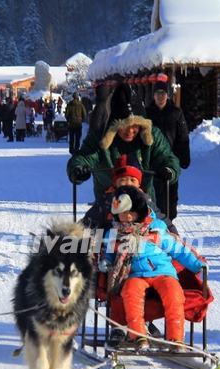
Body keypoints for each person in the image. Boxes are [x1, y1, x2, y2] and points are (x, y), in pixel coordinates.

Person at [103, 186, 204, 351]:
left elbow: (178, 250)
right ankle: (138, 336)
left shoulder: (156, 229)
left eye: (130, 212)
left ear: (140, 211)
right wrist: (106, 262)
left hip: (163, 272)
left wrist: (197, 266)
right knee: (130, 293)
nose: (125, 217)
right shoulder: (114, 233)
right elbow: (109, 253)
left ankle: (175, 339)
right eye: (121, 214)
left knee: (174, 294)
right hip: (135, 274)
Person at [67, 83, 180, 208]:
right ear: (114, 126)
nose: (130, 131)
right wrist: (78, 169)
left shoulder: (152, 136)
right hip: (108, 206)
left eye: (135, 126)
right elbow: (83, 157)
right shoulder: (101, 138)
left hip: (143, 206)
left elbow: (167, 157)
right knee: (98, 226)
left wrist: (169, 170)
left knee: (158, 226)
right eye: (124, 126)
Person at [145, 73, 190, 221]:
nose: (160, 96)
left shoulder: (175, 113)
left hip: (171, 161)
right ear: (153, 95)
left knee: (170, 198)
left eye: (163, 93)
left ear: (167, 95)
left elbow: (183, 137)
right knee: (153, 196)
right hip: (152, 161)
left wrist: (183, 157)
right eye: (157, 93)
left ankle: (170, 224)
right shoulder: (147, 113)